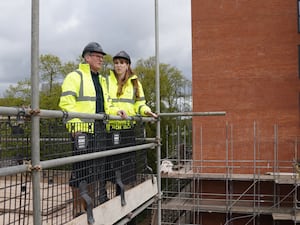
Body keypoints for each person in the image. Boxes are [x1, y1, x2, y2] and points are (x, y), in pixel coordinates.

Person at [102, 50, 157, 211]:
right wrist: (115, 113)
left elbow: (139, 104)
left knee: (124, 167)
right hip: (111, 129)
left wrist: (147, 111)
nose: (118, 66)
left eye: (122, 63)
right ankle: (105, 200)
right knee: (108, 166)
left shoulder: (135, 83)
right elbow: (106, 103)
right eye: (116, 62)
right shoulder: (106, 81)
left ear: (128, 65)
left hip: (127, 130)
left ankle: (121, 202)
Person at [59, 42, 108, 219]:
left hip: (99, 131)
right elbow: (66, 104)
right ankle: (78, 209)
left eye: (102, 56)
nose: (101, 59)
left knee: (95, 168)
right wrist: (76, 129)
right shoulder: (75, 76)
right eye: (97, 56)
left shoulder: (102, 80)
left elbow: (105, 105)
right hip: (82, 131)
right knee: (80, 168)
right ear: (87, 57)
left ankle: (91, 205)